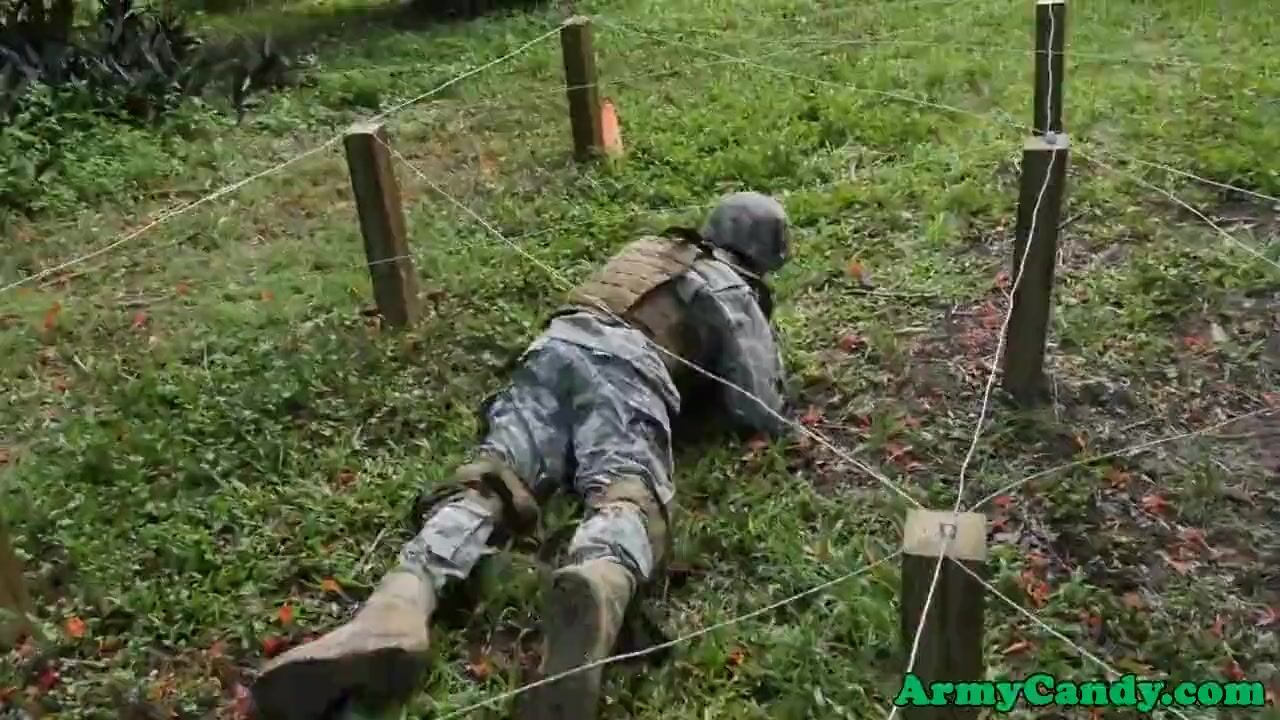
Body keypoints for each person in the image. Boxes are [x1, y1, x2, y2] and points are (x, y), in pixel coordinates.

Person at [250, 191, 792, 720]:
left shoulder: (652, 249)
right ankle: (599, 580)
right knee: (626, 486)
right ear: (764, 255)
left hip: (552, 348)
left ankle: (396, 606)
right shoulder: (729, 284)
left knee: (494, 481)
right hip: (625, 368)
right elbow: (758, 408)